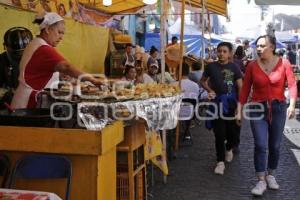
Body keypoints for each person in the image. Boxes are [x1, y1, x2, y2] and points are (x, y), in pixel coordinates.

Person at [238, 35, 297, 196]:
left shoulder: (284, 63)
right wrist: (239, 110)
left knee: (275, 145)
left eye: (263, 46)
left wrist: (291, 105)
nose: (258, 48)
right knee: (260, 144)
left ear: (272, 47)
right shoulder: (251, 65)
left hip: (278, 108)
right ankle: (261, 180)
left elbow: (292, 84)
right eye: (257, 46)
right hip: (257, 108)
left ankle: (271, 174)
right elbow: (245, 89)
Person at [11, 12, 102, 109]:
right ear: (47, 29)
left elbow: (40, 71)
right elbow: (66, 66)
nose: (61, 37)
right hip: (28, 103)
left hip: (27, 100)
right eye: (59, 32)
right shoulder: (43, 48)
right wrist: (91, 79)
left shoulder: (36, 43)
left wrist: (60, 75)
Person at [200, 42, 243, 175]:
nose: (221, 54)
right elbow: (202, 81)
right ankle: (220, 162)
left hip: (231, 104)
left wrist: (239, 108)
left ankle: (229, 148)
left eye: (224, 51)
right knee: (219, 134)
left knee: (233, 134)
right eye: (219, 51)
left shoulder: (235, 67)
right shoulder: (210, 66)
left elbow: (241, 87)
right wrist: (209, 90)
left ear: (230, 53)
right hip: (217, 104)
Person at [0, 27, 33, 108]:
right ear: (5, 46)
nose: (21, 58)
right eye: (15, 54)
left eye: (25, 53)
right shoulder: (1, 62)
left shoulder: (37, 60)